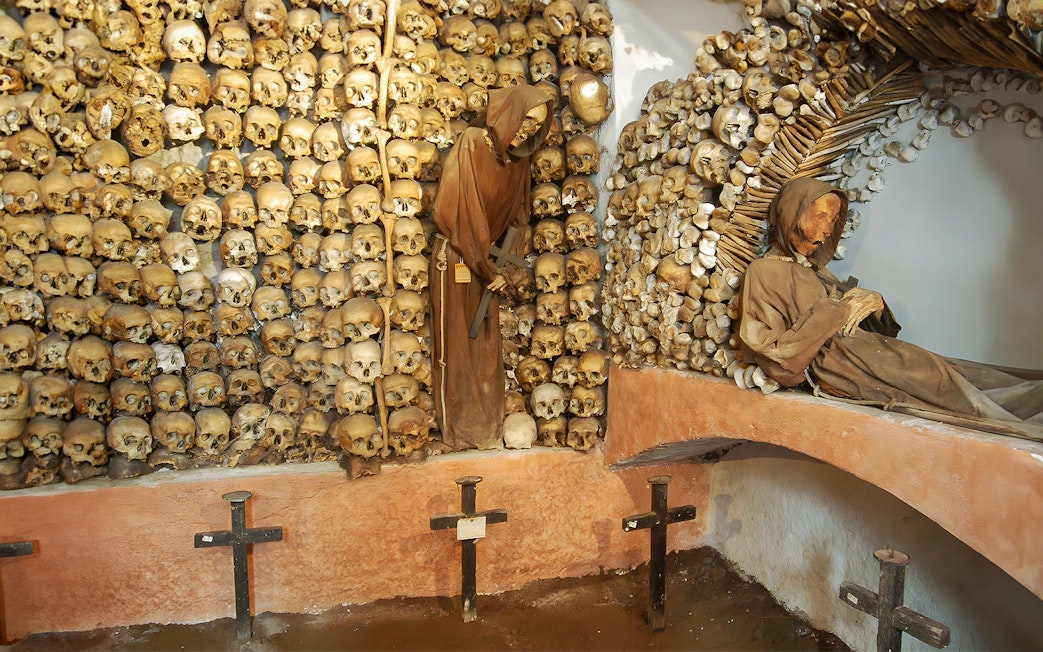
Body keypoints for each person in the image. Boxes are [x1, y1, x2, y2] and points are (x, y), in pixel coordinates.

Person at [737, 177, 1043, 440]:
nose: (828, 228)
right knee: (938, 380)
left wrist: (875, 303)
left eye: (832, 220)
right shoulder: (764, 271)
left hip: (869, 352)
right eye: (820, 216)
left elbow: (869, 323)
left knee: (961, 371)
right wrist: (839, 311)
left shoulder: (817, 271)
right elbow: (776, 359)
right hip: (839, 367)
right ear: (792, 212)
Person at [429, 84, 555, 450]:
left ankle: (484, 428)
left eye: (538, 124)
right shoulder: (471, 143)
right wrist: (486, 267)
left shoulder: (520, 160)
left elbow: (519, 217)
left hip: (488, 267)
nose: (531, 129)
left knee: (485, 349)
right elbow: (463, 211)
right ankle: (460, 430)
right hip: (459, 259)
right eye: (528, 119)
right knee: (457, 349)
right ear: (510, 113)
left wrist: (506, 267)